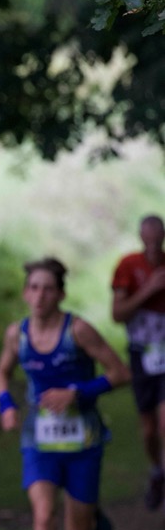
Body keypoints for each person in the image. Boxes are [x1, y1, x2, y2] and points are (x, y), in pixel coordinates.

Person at [0, 258, 129, 530]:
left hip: (83, 441)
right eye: (34, 287)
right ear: (26, 293)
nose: (40, 296)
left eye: (48, 288)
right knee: (42, 517)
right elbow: (2, 373)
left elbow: (120, 373)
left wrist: (77, 393)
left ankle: (93, 514)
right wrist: (6, 405)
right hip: (39, 441)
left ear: (61, 294)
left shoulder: (78, 331)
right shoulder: (17, 335)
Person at [111, 215, 165, 510]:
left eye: (158, 238)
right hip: (141, 353)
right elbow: (118, 315)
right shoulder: (128, 266)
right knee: (149, 429)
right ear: (141, 237)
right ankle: (156, 470)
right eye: (149, 239)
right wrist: (150, 289)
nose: (154, 245)